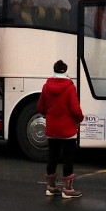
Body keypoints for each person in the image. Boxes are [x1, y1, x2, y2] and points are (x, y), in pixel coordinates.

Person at [37, 60, 85, 198]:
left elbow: (40, 107)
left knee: (52, 156)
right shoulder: (70, 87)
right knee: (68, 157)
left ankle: (51, 187)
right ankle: (67, 189)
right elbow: (75, 109)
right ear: (65, 70)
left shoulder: (46, 86)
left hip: (52, 128)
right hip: (67, 129)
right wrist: (80, 118)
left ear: (54, 70)